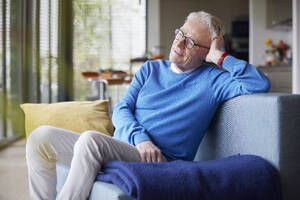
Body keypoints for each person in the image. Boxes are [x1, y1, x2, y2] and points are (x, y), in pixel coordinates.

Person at [26, 11, 270, 200]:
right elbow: (122, 109)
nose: (180, 43)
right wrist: (140, 137)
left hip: (156, 159)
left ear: (207, 52)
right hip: (123, 145)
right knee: (40, 138)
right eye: (180, 34)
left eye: (191, 42)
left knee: (90, 140)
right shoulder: (150, 69)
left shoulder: (214, 81)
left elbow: (259, 83)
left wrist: (219, 57)